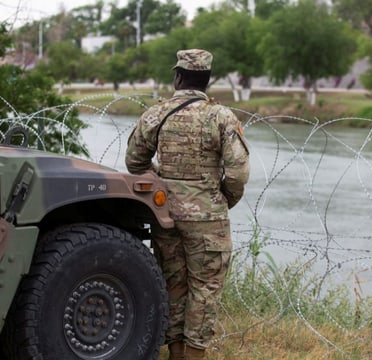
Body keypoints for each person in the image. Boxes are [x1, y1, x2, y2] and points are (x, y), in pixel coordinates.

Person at [125, 49, 250, 360]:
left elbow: (134, 162)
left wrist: (164, 184)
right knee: (205, 290)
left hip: (166, 215)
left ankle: (175, 353)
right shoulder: (221, 117)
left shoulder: (155, 114)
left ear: (178, 77)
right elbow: (238, 172)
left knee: (174, 285)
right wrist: (220, 199)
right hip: (208, 217)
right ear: (206, 81)